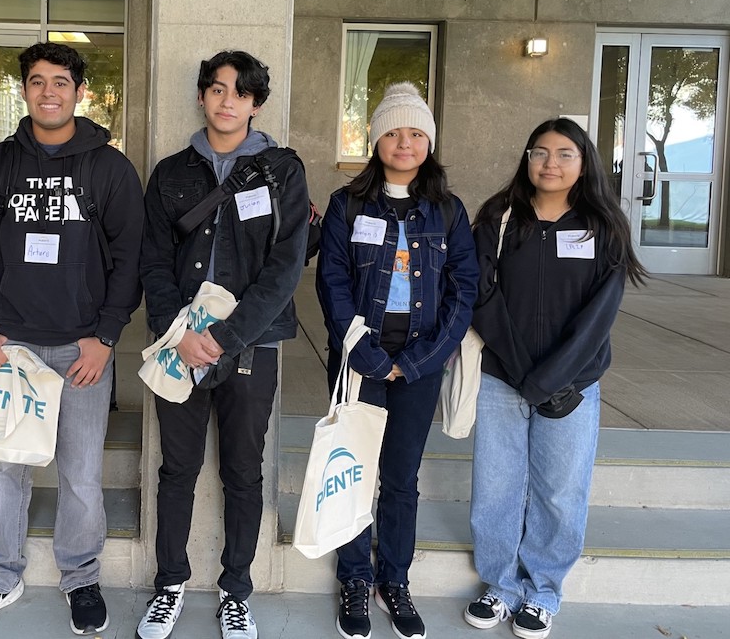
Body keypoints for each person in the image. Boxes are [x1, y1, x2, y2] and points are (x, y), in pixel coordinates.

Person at [0, 42, 143, 634]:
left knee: (80, 471)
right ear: (25, 91)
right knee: (6, 467)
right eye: (37, 82)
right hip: (10, 349)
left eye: (61, 81)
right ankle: (0, 575)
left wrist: (106, 336)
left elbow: (130, 257)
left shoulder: (109, 168)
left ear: (79, 91)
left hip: (82, 348)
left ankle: (81, 576)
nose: (49, 92)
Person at [137, 50, 309, 639]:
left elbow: (285, 268)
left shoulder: (282, 171)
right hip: (180, 345)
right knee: (177, 468)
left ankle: (236, 590)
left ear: (256, 103)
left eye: (239, 92)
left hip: (251, 348)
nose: (226, 100)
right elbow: (153, 260)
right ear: (203, 97)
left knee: (242, 469)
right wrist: (179, 332)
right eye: (215, 89)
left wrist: (226, 336)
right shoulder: (171, 172)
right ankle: (170, 584)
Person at [463, 118, 647, 639]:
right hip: (504, 379)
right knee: (495, 488)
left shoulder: (601, 226)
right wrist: (526, 375)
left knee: (560, 491)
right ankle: (500, 585)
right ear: (526, 159)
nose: (550, 163)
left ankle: (542, 591)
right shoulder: (499, 219)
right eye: (539, 152)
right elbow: (481, 296)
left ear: (583, 162)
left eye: (564, 153)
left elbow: (599, 315)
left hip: (573, 386)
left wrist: (553, 378)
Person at [316, 82, 479, 639]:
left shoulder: (448, 211)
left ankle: (395, 580)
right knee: (354, 471)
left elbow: (465, 290)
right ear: (376, 139)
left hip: (419, 366)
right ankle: (355, 580)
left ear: (428, 143)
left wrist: (415, 362)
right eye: (392, 132)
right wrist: (359, 351)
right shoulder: (348, 204)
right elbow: (333, 278)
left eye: (415, 133)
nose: (403, 142)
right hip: (359, 361)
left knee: (401, 478)